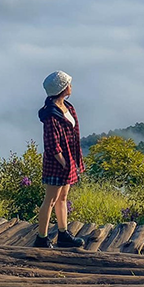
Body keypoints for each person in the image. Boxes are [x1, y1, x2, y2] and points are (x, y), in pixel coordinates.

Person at [35, 70, 86, 248]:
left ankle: (63, 233)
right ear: (62, 88)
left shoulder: (68, 107)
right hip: (57, 164)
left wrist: (73, 162)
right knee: (50, 200)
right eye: (68, 84)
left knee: (63, 198)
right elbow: (52, 144)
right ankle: (42, 238)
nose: (71, 87)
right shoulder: (51, 115)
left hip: (67, 161)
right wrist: (64, 163)